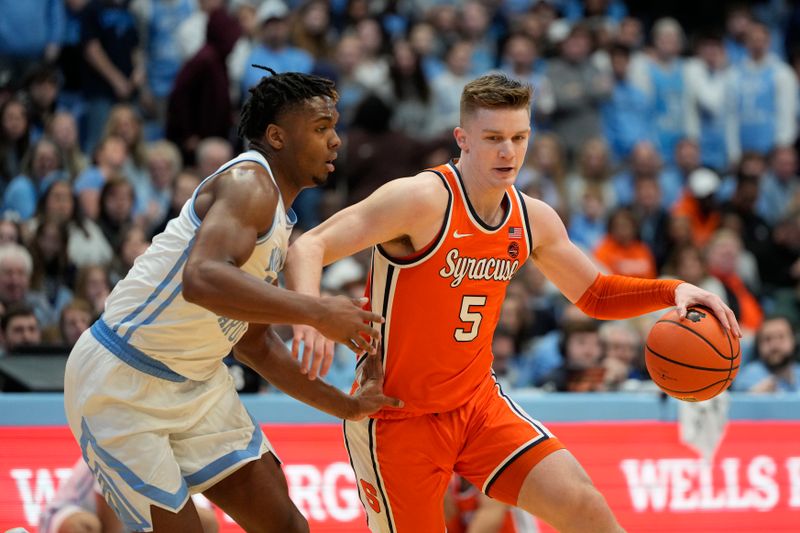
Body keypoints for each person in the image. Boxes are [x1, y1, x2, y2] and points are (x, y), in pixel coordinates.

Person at [285, 73, 741, 532]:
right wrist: (310, 315)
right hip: (396, 417)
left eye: (519, 137)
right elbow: (309, 246)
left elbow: (596, 294)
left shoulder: (533, 218)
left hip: (478, 406)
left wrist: (672, 289)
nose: (509, 152)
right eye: (494, 138)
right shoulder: (420, 199)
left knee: (586, 507)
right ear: (462, 139)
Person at [63, 69, 400, 533]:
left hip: (198, 382)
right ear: (277, 137)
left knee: (286, 526)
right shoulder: (248, 184)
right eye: (322, 128)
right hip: (122, 379)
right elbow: (200, 278)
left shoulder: (279, 219)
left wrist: (348, 405)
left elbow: (253, 346)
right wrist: (317, 311)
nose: (336, 141)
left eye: (335, 127)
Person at [38, 457, 219, 533]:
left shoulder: (178, 451)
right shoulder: (119, 445)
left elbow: (206, 520)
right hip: (81, 512)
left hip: (138, 518)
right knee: (83, 526)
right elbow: (111, 521)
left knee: (204, 523)